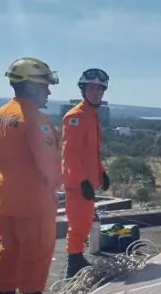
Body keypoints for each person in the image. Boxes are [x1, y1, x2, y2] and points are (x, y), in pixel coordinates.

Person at [0, 57, 61, 294]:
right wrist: (60, 184)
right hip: (34, 202)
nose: (49, 92)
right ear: (31, 86)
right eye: (45, 86)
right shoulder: (36, 119)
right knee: (36, 253)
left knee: (8, 252)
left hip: (5, 197)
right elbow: (48, 165)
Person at [62, 68, 110, 278]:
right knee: (78, 224)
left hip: (88, 181)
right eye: (91, 88)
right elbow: (70, 153)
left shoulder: (92, 116)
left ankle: (77, 257)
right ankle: (73, 265)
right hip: (78, 183)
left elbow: (92, 152)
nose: (96, 93)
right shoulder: (76, 116)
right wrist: (82, 181)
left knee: (85, 221)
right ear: (83, 90)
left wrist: (102, 172)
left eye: (99, 89)